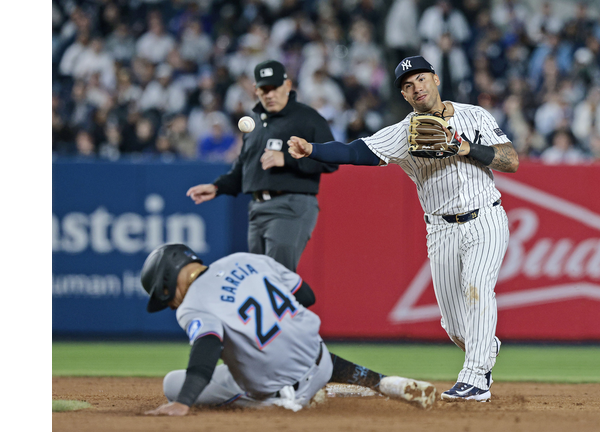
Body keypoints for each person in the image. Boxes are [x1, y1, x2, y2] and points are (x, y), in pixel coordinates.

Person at [287, 55, 519, 402]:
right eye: (408, 86)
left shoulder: (475, 115)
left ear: (436, 79)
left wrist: (465, 147)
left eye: (421, 79)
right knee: (455, 326)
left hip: (485, 216)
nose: (416, 87)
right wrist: (313, 150)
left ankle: (475, 380)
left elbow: (511, 160)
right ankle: (484, 348)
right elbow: (356, 151)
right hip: (440, 228)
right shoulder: (403, 133)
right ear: (405, 96)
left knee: (478, 289)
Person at [140, 243, 436, 415]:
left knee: (172, 384)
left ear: (167, 282)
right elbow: (306, 296)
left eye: (162, 295)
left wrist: (183, 403)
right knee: (293, 341)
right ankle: (381, 383)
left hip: (281, 391)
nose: (168, 303)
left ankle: (276, 404)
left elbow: (206, 347)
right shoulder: (246, 259)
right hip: (319, 359)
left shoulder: (192, 303)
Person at [186, 60, 338, 272]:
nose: (270, 94)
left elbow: (331, 159)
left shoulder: (307, 119)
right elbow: (243, 168)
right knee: (259, 282)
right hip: (258, 208)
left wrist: (287, 158)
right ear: (255, 90)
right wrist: (218, 187)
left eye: (274, 87)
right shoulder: (255, 123)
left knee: (274, 279)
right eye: (264, 89)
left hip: (291, 205)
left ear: (287, 86)